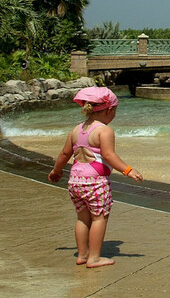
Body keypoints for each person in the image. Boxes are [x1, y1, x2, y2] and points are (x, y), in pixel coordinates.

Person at [48, 86, 143, 268]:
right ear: (109, 110)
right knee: (99, 218)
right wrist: (128, 170)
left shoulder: (76, 129)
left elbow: (64, 153)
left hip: (75, 182)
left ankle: (82, 254)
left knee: (82, 218)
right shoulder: (104, 131)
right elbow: (109, 155)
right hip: (96, 182)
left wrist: (56, 171)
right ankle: (94, 258)